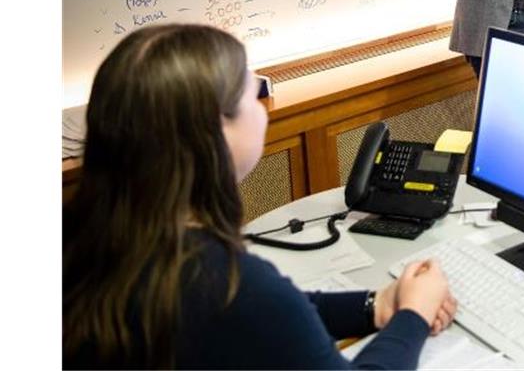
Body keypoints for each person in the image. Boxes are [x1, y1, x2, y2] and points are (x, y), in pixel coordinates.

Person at [63, 24, 457, 369]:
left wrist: (375, 306)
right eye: (253, 96)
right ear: (216, 130)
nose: (263, 109)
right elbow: (259, 308)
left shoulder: (85, 239)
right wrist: (414, 315)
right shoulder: (225, 284)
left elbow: (275, 316)